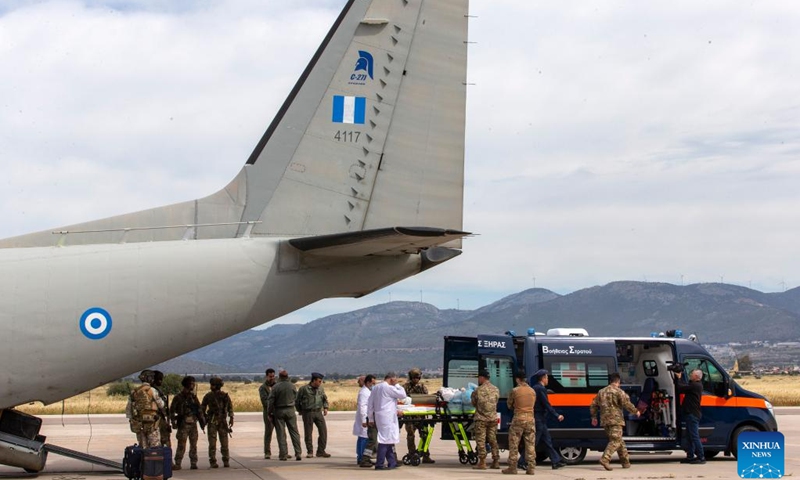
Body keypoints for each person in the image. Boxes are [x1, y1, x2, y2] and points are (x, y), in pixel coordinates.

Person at [590, 372, 641, 471]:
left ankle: (625, 462)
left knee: (619, 441)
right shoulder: (619, 392)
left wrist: (594, 417)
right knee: (616, 441)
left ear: (610, 381)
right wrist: (636, 411)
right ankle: (605, 459)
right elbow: (626, 404)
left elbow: (593, 405)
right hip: (616, 420)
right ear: (618, 382)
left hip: (605, 421)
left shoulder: (601, 392)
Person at [367, 372, 407, 470]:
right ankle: (379, 464)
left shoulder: (376, 387)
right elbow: (403, 394)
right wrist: (397, 384)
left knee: (389, 439)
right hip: (387, 417)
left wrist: (371, 418)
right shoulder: (388, 388)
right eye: (395, 379)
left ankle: (392, 462)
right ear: (391, 379)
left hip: (379, 416)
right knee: (385, 440)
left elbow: (370, 404)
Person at [503, 371, 536, 475]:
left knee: (514, 443)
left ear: (518, 379)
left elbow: (509, 404)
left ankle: (512, 467)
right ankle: (531, 468)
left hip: (518, 419)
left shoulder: (515, 390)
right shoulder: (532, 391)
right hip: (530, 419)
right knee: (530, 444)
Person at [532, 369, 566, 469]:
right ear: (543, 378)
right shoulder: (540, 389)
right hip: (539, 418)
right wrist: (556, 415)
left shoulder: (537, 388)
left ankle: (556, 461)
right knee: (534, 442)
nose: (548, 379)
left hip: (540, 418)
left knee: (547, 441)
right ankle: (522, 461)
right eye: (547, 377)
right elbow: (546, 404)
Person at [170, 376, 205, 470]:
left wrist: (202, 421)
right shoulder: (178, 397)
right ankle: (178, 463)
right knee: (181, 444)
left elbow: (199, 409)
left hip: (193, 424)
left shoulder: (193, 397)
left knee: (193, 445)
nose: (193, 385)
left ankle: (193, 463)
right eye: (192, 383)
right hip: (183, 424)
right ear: (187, 384)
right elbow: (172, 410)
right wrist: (173, 422)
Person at [268, 370, 303, 461]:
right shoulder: (292, 386)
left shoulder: (275, 387)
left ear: (279, 377)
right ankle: (298, 453)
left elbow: (271, 401)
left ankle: (283, 454)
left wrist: (269, 412)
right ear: (287, 377)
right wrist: (298, 409)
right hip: (291, 410)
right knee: (294, 432)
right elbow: (297, 399)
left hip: (279, 411)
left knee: (281, 433)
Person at [126, 369, 165, 448]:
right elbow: (161, 405)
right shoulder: (152, 390)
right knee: (154, 447)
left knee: (143, 447)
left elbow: (128, 410)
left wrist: (133, 420)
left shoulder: (134, 392)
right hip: (152, 423)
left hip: (139, 423)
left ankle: (143, 460)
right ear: (149, 378)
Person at [403, 367, 434, 463]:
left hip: (421, 415)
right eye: (414, 377)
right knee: (410, 436)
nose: (416, 379)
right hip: (410, 416)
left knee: (424, 436)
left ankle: (425, 455)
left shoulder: (422, 387)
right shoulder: (405, 387)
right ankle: (412, 454)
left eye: (418, 377)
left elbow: (426, 397)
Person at [471, 369, 500, 470]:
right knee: (493, 439)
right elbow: (496, 401)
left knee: (481, 440)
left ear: (482, 378)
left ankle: (482, 462)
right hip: (493, 418)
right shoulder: (496, 389)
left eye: (479, 378)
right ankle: (496, 461)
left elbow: (474, 403)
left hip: (481, 419)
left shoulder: (477, 390)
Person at [201, 376, 234, 468]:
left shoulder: (225, 396)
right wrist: (204, 419)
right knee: (212, 443)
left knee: (224, 443)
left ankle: (226, 460)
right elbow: (202, 408)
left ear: (217, 385)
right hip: (212, 421)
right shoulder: (208, 396)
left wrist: (231, 418)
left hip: (222, 422)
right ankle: (213, 461)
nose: (211, 386)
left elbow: (230, 407)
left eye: (212, 385)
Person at [296, 372, 330, 458]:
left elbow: (324, 399)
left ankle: (321, 451)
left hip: (318, 412)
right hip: (308, 413)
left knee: (323, 432)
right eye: (319, 381)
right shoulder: (304, 389)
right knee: (308, 433)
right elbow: (297, 401)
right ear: (313, 380)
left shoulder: (321, 389)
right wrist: (300, 410)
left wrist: (325, 408)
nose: (320, 383)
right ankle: (310, 451)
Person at [675, 368, 705, 464]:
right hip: (690, 414)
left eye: (692, 374)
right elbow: (685, 385)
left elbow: (681, 388)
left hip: (693, 414)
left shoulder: (695, 386)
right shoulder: (695, 385)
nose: (690, 375)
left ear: (696, 376)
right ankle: (690, 456)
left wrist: (679, 378)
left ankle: (701, 457)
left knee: (694, 436)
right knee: (689, 437)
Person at [354, 375, 376, 466]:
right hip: (365, 418)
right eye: (373, 383)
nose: (374, 385)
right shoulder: (364, 392)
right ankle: (362, 458)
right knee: (364, 438)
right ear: (368, 382)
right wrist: (364, 420)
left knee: (362, 438)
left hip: (366, 417)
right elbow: (362, 407)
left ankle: (361, 457)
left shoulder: (367, 391)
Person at [259, 368, 276, 459]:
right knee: (268, 432)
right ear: (266, 376)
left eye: (273, 376)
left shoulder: (277, 386)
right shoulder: (263, 388)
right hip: (268, 412)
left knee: (281, 432)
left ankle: (283, 451)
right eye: (270, 377)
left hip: (278, 412)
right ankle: (267, 452)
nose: (272, 378)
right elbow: (264, 401)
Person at [152, 370, 172, 449]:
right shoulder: (155, 391)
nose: (161, 381)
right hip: (158, 418)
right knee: (163, 439)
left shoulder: (154, 390)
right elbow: (161, 405)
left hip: (159, 417)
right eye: (159, 379)